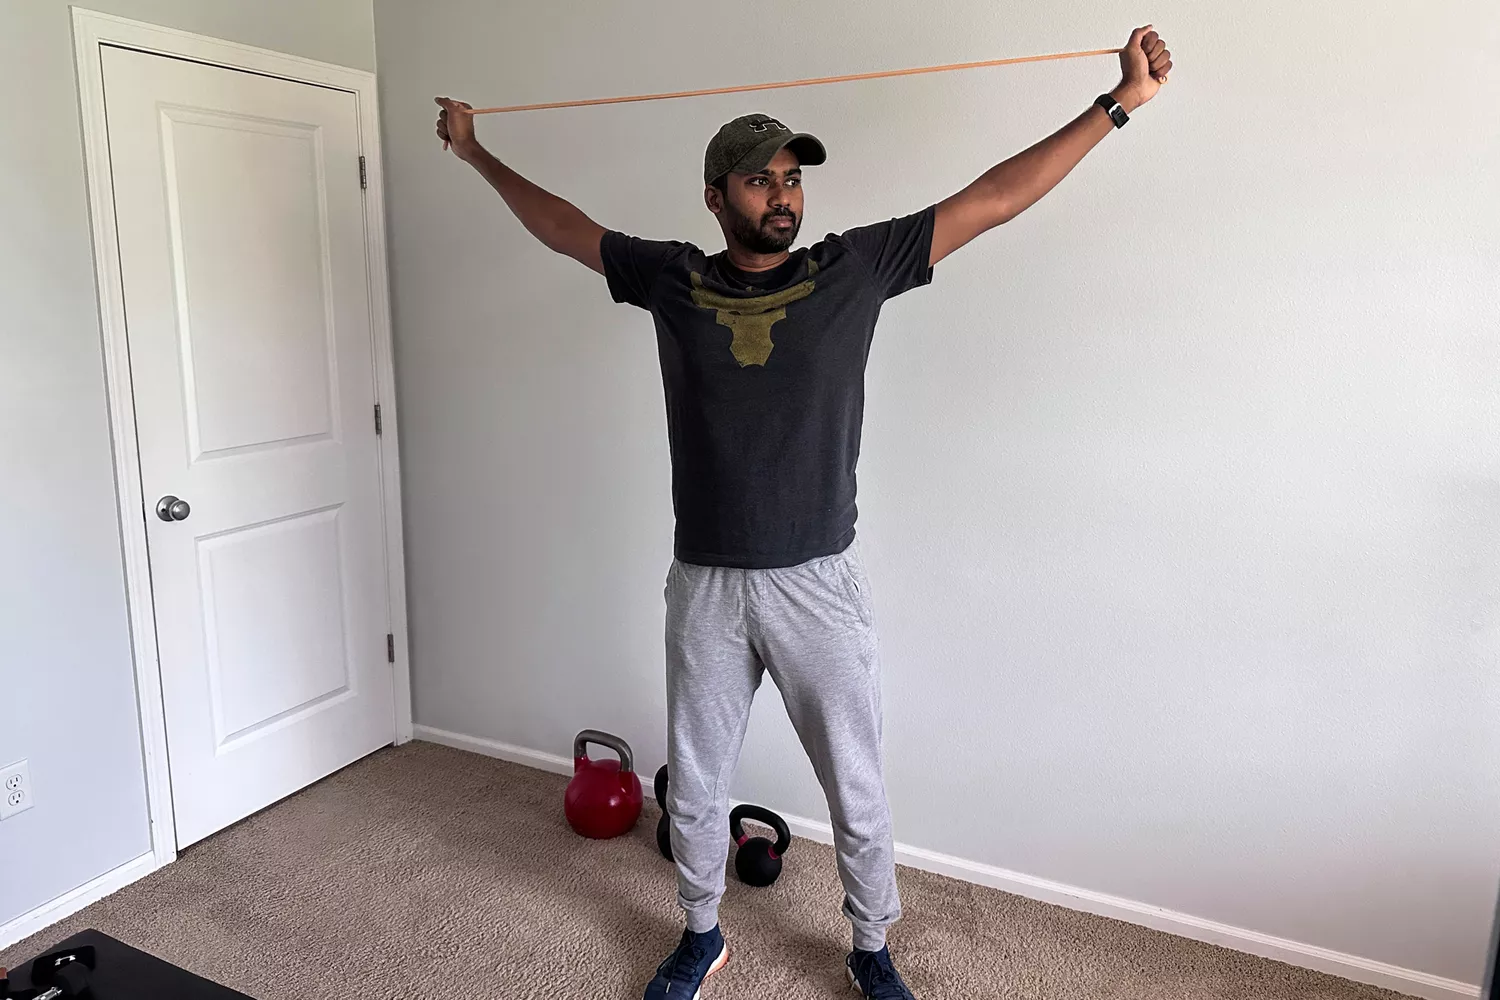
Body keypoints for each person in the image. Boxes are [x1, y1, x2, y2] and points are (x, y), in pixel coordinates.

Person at [436, 25, 1172, 1000]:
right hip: (703, 579)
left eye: (791, 178)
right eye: (758, 181)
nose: (781, 195)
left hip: (814, 580)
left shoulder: (852, 270)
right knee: (695, 789)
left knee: (857, 791)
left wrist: (1116, 106)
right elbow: (565, 225)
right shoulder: (674, 279)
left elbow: (994, 196)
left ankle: (871, 945)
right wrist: (478, 151)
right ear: (715, 198)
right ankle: (700, 934)